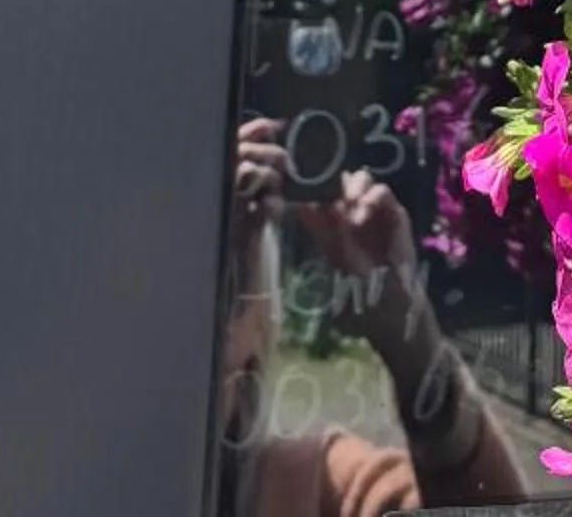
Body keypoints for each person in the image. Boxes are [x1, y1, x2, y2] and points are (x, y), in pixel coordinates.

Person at [221, 117, 529, 517]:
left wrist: (413, 347)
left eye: (227, 280)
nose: (196, 315)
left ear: (259, 318)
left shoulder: (314, 489)